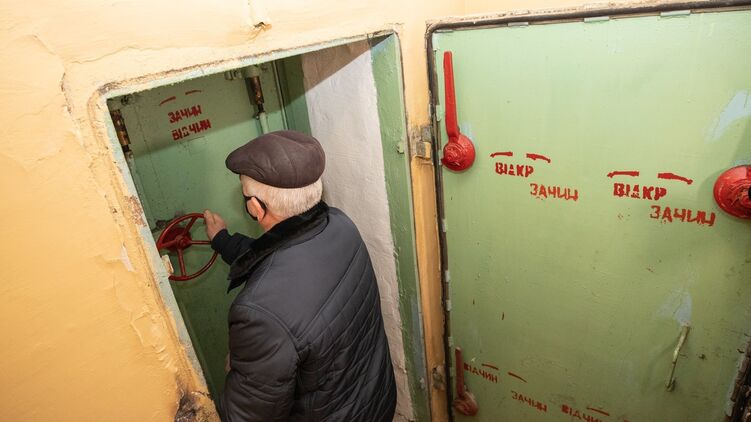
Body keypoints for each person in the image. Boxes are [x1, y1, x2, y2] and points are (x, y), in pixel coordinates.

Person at [203, 130, 397, 421]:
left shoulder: (259, 314)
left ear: (255, 208)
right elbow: (283, 253)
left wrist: (237, 370)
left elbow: (247, 416)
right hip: (376, 401)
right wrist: (223, 240)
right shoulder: (341, 225)